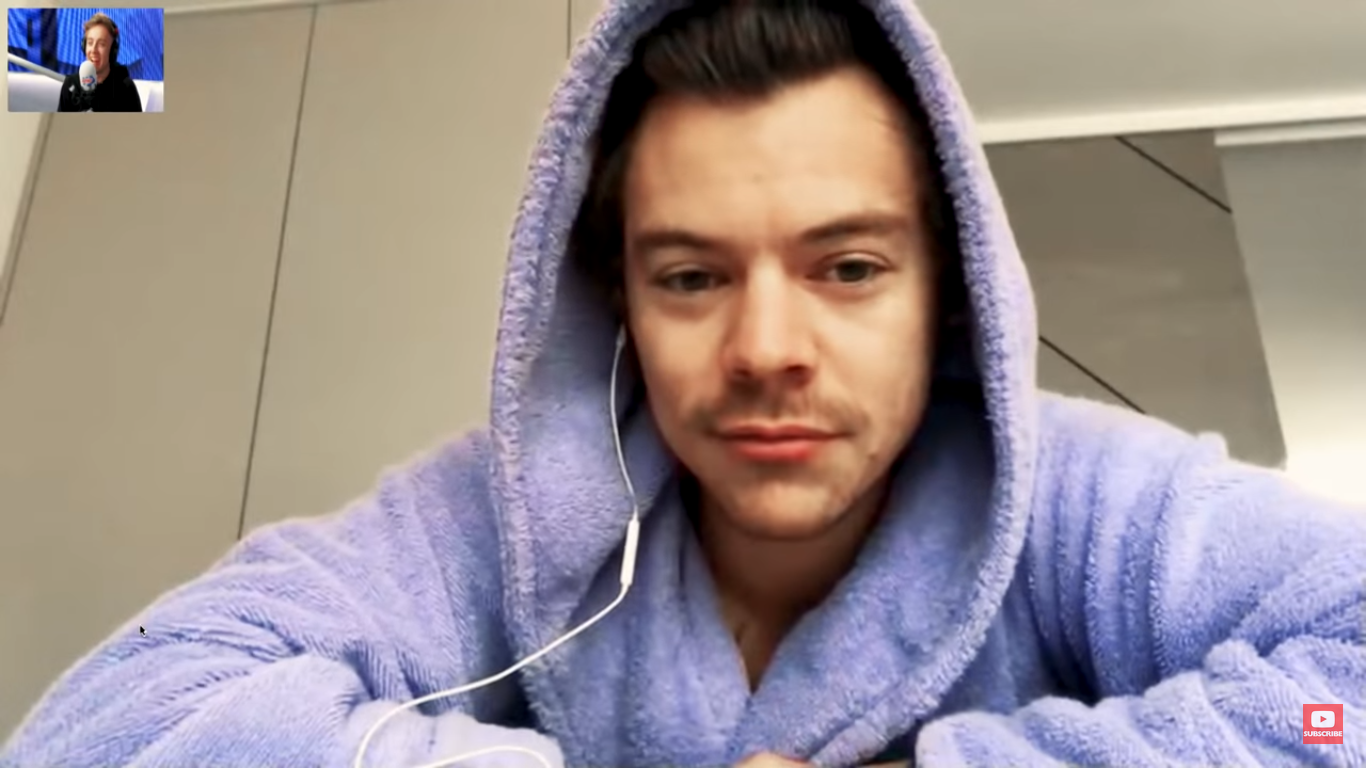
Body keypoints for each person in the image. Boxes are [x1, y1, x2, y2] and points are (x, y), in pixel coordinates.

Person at [4, 1, 1363, 766]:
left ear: (946, 292)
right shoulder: (508, 519)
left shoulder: (1085, 502)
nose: (765, 346)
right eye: (692, 276)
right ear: (621, 309)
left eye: (846, 267)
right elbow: (122, 719)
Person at [57, 13, 144, 113]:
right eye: (90, 43)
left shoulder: (126, 88)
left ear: (112, 51)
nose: (93, 50)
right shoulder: (71, 85)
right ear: (84, 46)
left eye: (101, 44)